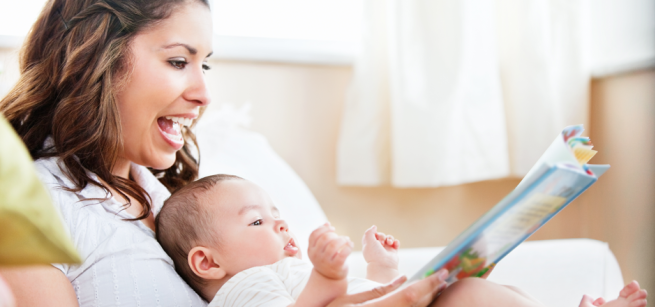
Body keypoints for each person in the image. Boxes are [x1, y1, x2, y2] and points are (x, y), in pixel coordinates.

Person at [0, 0, 450, 306]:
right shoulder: (31, 206)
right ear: (93, 59)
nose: (203, 94)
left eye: (205, 64)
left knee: (465, 294)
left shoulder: (175, 200)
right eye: (178, 61)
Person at [156, 174, 648, 307]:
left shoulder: (282, 271)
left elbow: (357, 298)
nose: (281, 226)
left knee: (484, 292)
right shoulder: (245, 289)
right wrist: (328, 274)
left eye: (278, 216)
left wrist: (381, 268)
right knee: (470, 295)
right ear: (207, 261)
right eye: (258, 223)